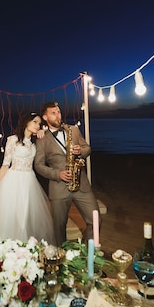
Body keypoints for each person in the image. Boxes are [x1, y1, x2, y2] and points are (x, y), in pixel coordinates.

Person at [0, 112, 56, 245]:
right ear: (26, 122)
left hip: (29, 181)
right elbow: (4, 165)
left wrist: (45, 131)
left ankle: (23, 246)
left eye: (39, 123)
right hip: (13, 179)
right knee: (11, 214)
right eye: (35, 122)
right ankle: (7, 246)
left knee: (25, 215)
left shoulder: (34, 144)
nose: (38, 125)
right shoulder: (12, 140)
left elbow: (52, 138)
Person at [34, 101, 100, 246]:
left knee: (95, 219)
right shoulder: (42, 138)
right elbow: (38, 165)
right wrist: (58, 174)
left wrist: (80, 151)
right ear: (45, 117)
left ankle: (88, 253)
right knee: (58, 228)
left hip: (81, 185)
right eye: (53, 113)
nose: (58, 115)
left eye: (58, 112)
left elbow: (87, 148)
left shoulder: (74, 130)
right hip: (59, 187)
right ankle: (60, 259)